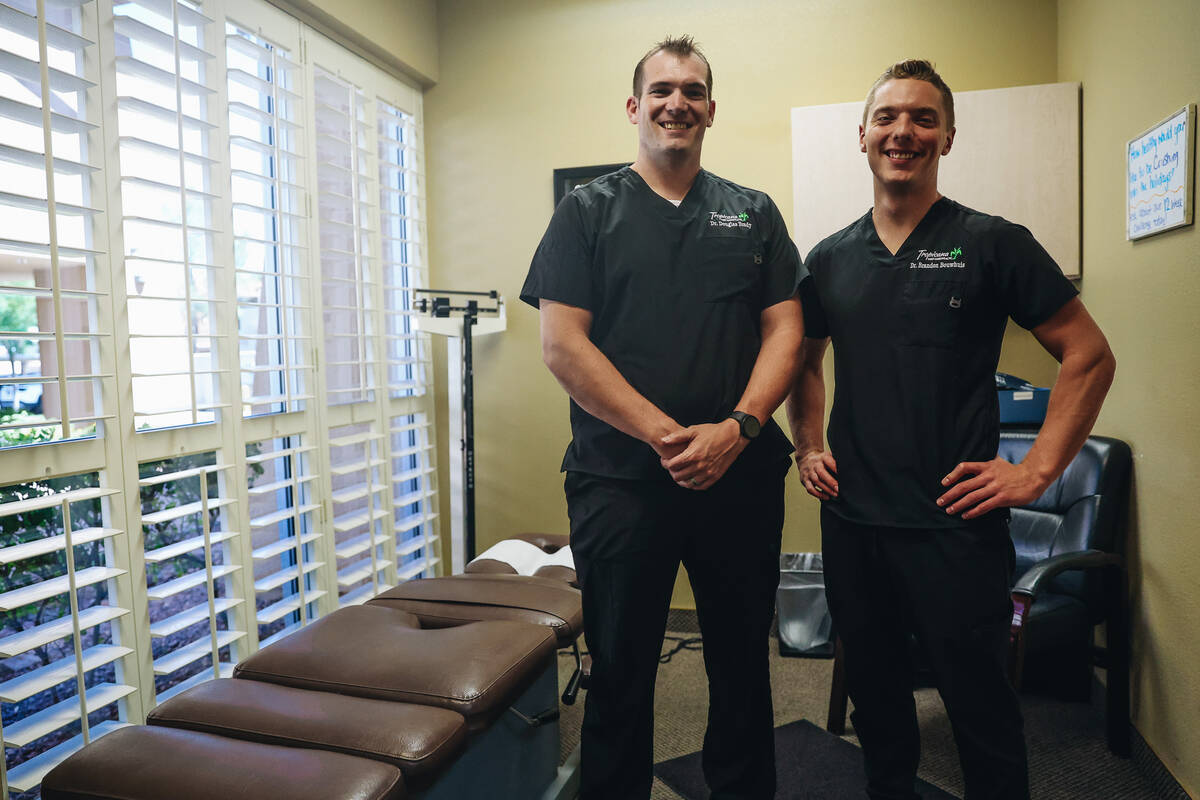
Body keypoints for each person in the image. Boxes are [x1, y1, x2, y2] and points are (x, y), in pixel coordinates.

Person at [787, 59, 1115, 800]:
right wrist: (809, 444)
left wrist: (1033, 474)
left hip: (955, 526)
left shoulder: (992, 243)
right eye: (888, 117)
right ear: (862, 135)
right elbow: (804, 365)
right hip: (853, 521)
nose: (904, 131)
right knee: (877, 701)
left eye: (923, 118)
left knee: (981, 707)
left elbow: (1088, 355)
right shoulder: (828, 259)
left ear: (948, 137)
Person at [521, 35, 805, 800]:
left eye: (692, 90)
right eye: (661, 90)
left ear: (711, 109)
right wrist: (665, 434)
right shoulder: (587, 212)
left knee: (744, 664)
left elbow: (787, 329)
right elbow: (562, 345)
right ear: (634, 106)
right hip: (621, 482)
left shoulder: (753, 213)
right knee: (621, 669)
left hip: (739, 478)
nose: (676, 102)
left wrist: (738, 429)